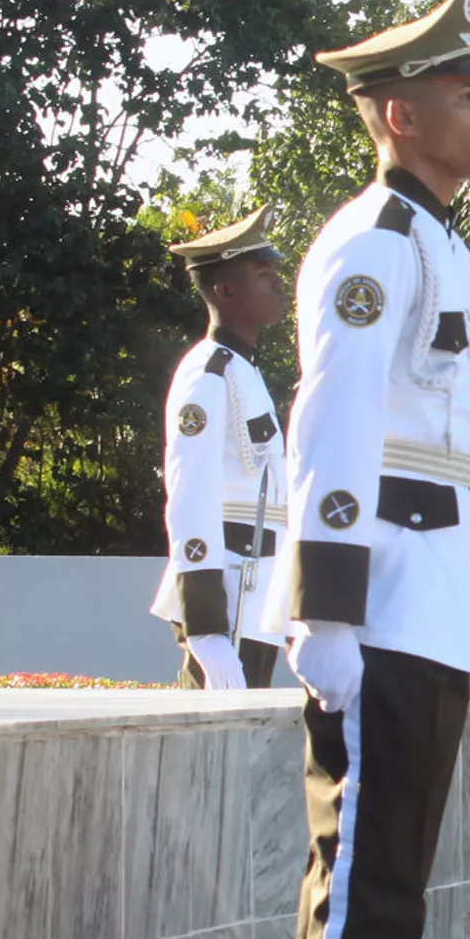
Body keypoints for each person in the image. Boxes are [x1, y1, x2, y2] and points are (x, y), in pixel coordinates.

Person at [278, 0, 470, 939]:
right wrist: (326, 608)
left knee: (394, 890)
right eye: (467, 93)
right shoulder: (378, 243)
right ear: (403, 116)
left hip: (433, 592)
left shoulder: (444, 245)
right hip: (381, 593)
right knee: (365, 890)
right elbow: (333, 419)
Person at [150, 203, 291, 690]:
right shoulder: (208, 373)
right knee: (207, 760)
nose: (278, 282)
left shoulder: (241, 370)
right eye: (262, 272)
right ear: (225, 290)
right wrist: (206, 629)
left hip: (254, 598)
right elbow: (190, 495)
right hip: (227, 599)